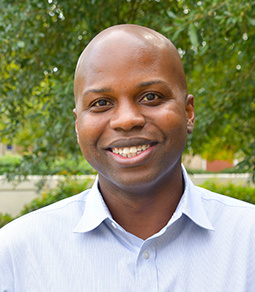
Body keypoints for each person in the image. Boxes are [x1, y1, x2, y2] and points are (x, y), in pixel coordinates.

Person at [0, 24, 254, 291]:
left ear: (188, 112)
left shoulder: (249, 242)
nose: (126, 120)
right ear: (77, 126)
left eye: (151, 97)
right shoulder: (15, 255)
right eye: (101, 103)